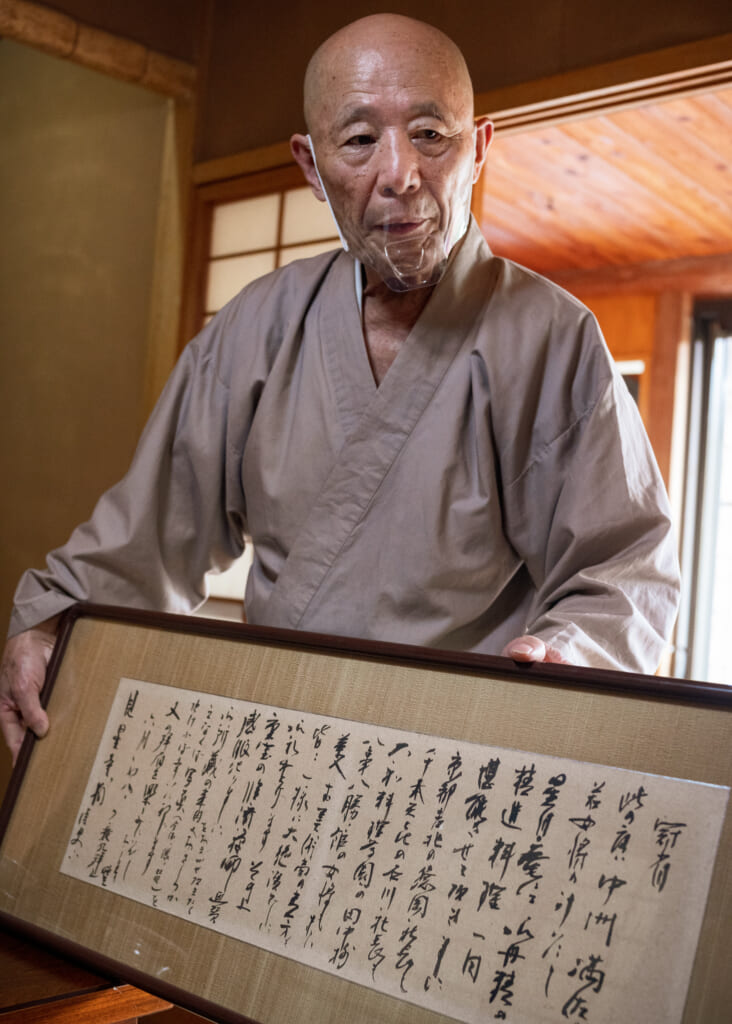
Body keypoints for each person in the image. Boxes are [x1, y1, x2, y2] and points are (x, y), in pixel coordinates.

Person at [0, 14, 680, 762]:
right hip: (277, 745)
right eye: (358, 141)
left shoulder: (551, 338)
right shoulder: (256, 326)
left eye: (430, 134)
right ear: (311, 165)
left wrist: (571, 656)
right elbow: (144, 539)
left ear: (479, 147)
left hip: (457, 754)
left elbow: (624, 569)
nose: (400, 173)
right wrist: (51, 625)